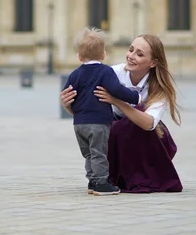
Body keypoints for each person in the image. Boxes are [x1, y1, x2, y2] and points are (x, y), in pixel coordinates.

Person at [61, 34, 183, 193]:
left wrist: (116, 101)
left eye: (139, 54)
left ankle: (142, 175)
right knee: (107, 133)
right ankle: (100, 180)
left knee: (137, 119)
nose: (131, 56)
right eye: (131, 50)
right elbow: (88, 109)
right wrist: (67, 105)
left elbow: (149, 123)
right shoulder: (111, 72)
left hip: (142, 136)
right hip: (113, 132)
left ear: (153, 62)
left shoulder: (159, 88)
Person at [62, 27, 142, 196]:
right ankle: (100, 183)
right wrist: (136, 98)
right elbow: (116, 90)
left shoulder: (75, 74)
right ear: (103, 55)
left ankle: (92, 180)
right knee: (99, 153)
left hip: (79, 124)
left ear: (79, 56)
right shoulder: (106, 71)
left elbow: (68, 94)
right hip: (98, 122)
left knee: (89, 154)